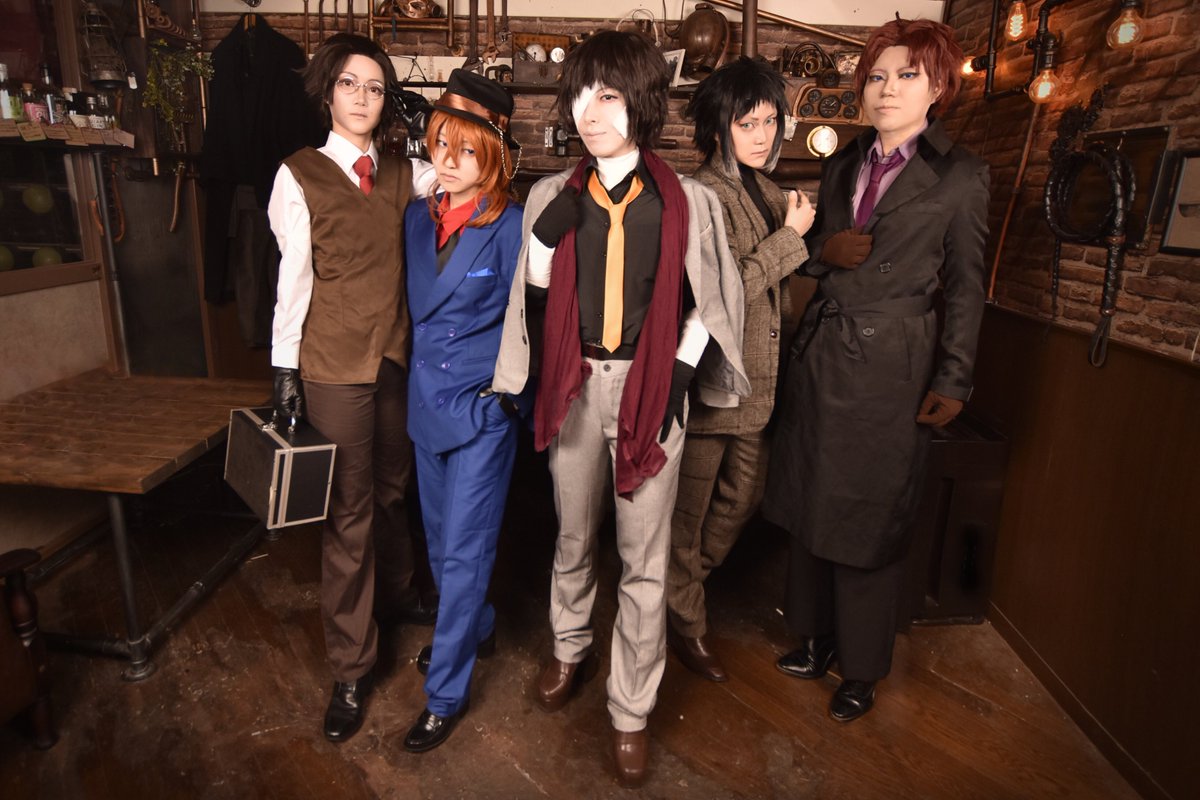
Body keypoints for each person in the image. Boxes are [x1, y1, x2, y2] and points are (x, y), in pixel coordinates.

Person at [490, 30, 749, 787]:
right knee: (573, 536)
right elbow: (534, 309)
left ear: (640, 102)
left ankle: (631, 709)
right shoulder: (552, 196)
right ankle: (569, 647)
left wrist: (678, 375)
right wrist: (544, 248)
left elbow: (710, 301)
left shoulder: (688, 202)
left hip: (651, 388)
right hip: (573, 386)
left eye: (607, 95)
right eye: (580, 95)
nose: (590, 111)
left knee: (645, 559)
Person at [761, 18, 990, 722]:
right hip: (824, 351)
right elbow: (818, 253)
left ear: (938, 87)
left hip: (893, 363)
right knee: (812, 498)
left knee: (870, 513)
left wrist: (954, 378)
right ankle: (814, 638)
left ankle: (860, 668)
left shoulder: (961, 176)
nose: (887, 89)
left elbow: (968, 287)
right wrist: (823, 251)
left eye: (907, 76)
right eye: (878, 77)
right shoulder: (844, 161)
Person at [267, 33, 437, 743]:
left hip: (394, 360)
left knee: (394, 493)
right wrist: (284, 368)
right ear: (327, 92)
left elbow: (466, 174)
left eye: (375, 87)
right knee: (349, 513)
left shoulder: (403, 172)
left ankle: (396, 598)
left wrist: (433, 127)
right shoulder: (299, 175)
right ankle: (350, 665)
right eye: (349, 83)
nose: (362, 97)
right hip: (333, 366)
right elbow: (294, 280)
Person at [665, 56, 815, 683]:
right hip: (711, 383)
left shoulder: (772, 193)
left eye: (770, 122)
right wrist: (793, 238)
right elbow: (720, 293)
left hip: (760, 386)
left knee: (742, 499)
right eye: (746, 123)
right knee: (688, 514)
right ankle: (687, 621)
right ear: (717, 126)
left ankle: (677, 590)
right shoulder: (698, 193)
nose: (761, 135)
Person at [399, 69, 527, 753]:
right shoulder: (415, 219)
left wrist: (505, 399)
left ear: (494, 156)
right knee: (441, 544)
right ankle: (476, 626)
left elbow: (533, 321)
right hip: (425, 409)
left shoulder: (510, 226)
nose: (448, 162)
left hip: (479, 414)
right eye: (440, 145)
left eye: (466, 150)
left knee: (463, 555)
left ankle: (445, 693)